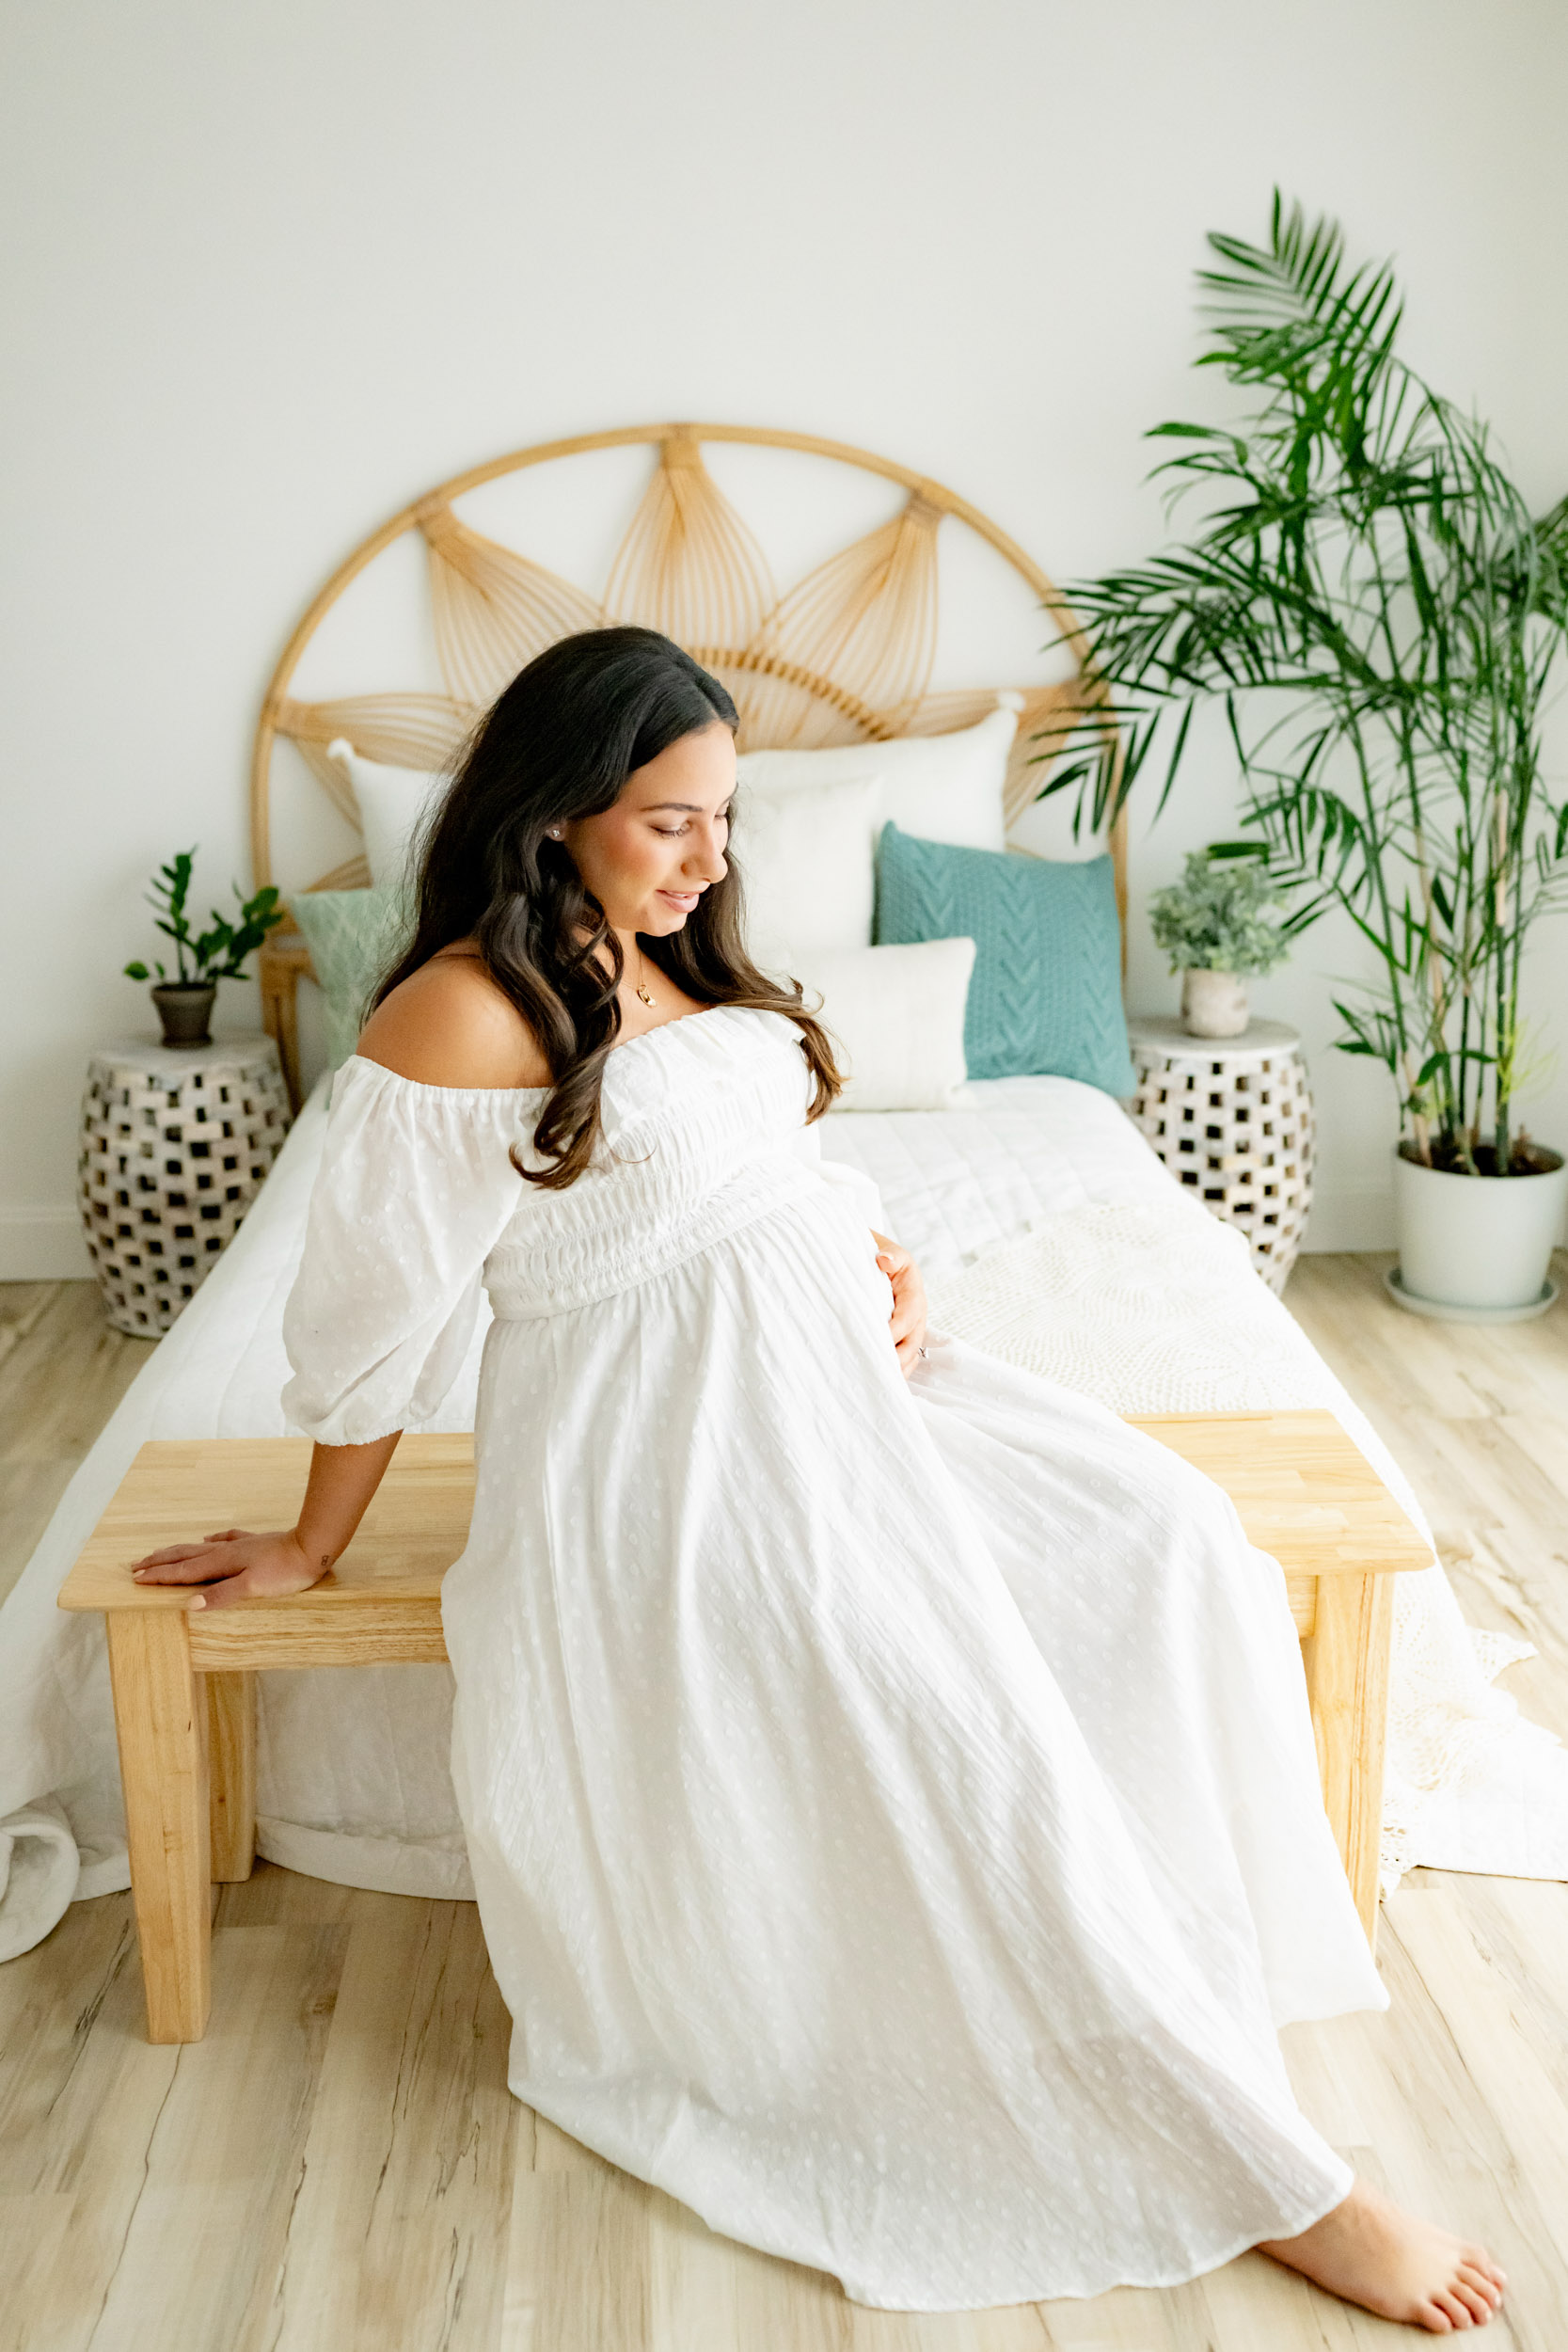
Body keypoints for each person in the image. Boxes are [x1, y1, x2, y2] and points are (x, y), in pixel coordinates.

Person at [133, 628, 1505, 2330]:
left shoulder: (684, 953)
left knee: (1164, 1540)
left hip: (856, 1386)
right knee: (932, 1690)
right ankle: (1273, 2170)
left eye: (725, 816)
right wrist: (309, 1537)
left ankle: (1174, 1965)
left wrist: (883, 1260)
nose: (711, 857)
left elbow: (762, 1158)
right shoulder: (462, 1011)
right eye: (669, 821)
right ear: (556, 810)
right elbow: (370, 1312)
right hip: (668, 1441)